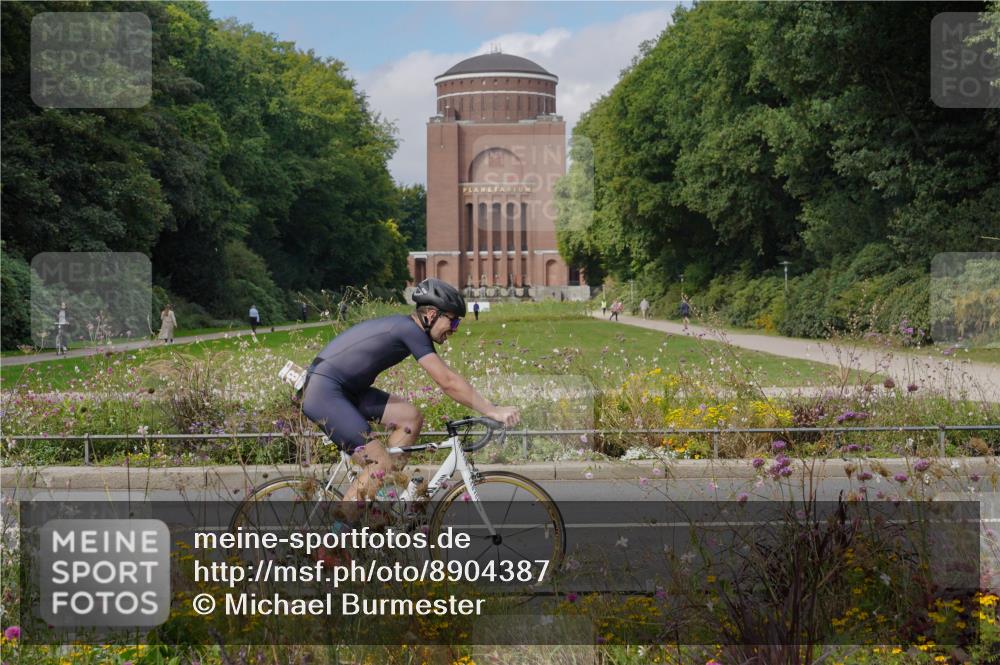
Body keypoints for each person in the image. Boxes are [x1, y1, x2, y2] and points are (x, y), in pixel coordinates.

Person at [299, 278, 520, 516]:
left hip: (346, 391)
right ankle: (338, 534)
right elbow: (447, 381)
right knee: (379, 463)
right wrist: (492, 410)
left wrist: (490, 407)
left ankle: (383, 501)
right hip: (325, 392)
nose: (455, 329)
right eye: (453, 321)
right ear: (432, 315)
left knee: (410, 418)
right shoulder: (409, 330)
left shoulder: (408, 329)